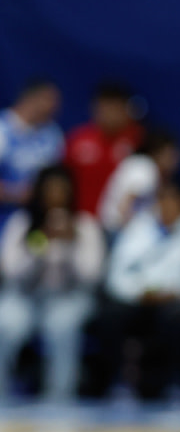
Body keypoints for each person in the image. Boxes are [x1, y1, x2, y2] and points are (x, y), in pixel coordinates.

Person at [0, 166, 105, 400]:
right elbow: (11, 271)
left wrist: (70, 246)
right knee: (6, 323)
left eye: (61, 190)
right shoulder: (23, 223)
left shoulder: (84, 225)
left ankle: (59, 396)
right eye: (50, 190)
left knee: (61, 326)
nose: (55, 196)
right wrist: (39, 245)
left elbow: (91, 276)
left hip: (70, 297)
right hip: (25, 296)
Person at [100, 180, 180, 399]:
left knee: (176, 316)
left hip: (175, 300)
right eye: (163, 200)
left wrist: (173, 292)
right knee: (111, 314)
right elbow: (117, 273)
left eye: (174, 201)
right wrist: (139, 292)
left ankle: (177, 382)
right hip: (138, 299)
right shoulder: (138, 228)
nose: (168, 206)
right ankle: (118, 381)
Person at [63, 82, 143, 217]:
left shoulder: (138, 140)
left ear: (126, 109)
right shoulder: (78, 140)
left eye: (115, 107)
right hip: (83, 221)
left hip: (123, 223)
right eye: (105, 107)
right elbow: (63, 182)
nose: (110, 114)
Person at [0, 79, 64, 228]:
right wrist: (17, 195)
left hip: (35, 223)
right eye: (49, 100)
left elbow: (57, 181)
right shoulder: (3, 130)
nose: (54, 107)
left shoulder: (52, 135)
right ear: (30, 98)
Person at [98, 128, 180, 234]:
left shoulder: (140, 164)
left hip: (111, 225)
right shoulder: (146, 169)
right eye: (172, 155)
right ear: (159, 153)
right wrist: (127, 231)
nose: (176, 161)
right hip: (116, 228)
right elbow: (126, 202)